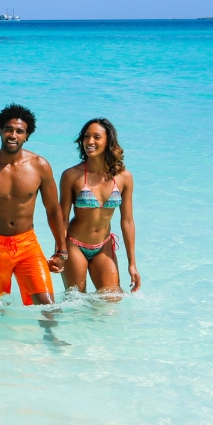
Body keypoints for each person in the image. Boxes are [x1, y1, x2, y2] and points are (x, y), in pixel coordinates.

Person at [0, 104, 67, 305]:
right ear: (0, 131)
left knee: (48, 307)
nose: (13, 135)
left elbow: (53, 210)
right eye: (8, 129)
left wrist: (61, 251)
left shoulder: (40, 166)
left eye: (19, 131)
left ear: (27, 135)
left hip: (27, 245)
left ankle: (51, 338)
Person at [60, 118, 141, 294]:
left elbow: (127, 221)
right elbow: (62, 218)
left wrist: (132, 264)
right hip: (74, 245)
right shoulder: (71, 175)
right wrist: (60, 251)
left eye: (96, 137)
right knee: (75, 302)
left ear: (108, 141)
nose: (90, 141)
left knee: (112, 300)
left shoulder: (124, 177)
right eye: (86, 137)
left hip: (104, 245)